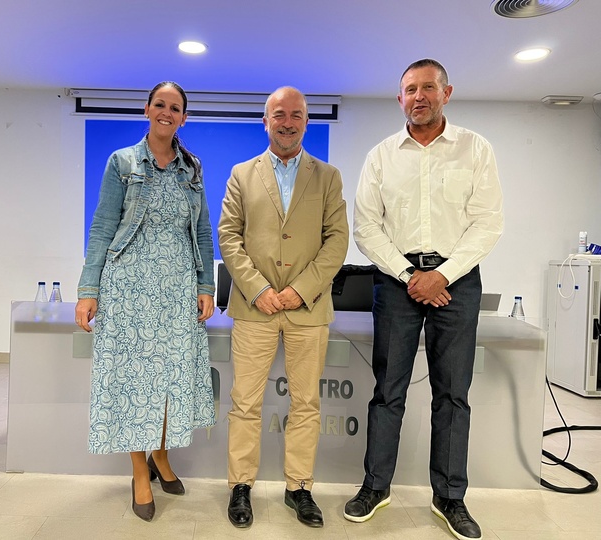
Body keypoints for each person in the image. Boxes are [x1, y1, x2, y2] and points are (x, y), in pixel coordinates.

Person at [346, 59, 503, 540]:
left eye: (428, 87)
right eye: (410, 89)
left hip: (457, 280)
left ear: (446, 92)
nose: (419, 96)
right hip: (397, 282)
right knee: (387, 390)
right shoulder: (380, 156)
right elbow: (366, 227)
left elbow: (488, 223)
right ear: (400, 99)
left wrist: (442, 275)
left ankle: (450, 497)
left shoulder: (476, 149)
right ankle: (376, 486)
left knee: (453, 393)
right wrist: (411, 275)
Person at [75, 81, 216, 522]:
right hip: (128, 288)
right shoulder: (122, 162)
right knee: (133, 384)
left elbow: (202, 232)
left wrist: (206, 285)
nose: (167, 112)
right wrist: (88, 290)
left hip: (176, 289)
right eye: (160, 105)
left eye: (175, 108)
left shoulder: (191, 169)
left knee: (170, 381)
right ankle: (139, 470)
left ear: (183, 118)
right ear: (147, 109)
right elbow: (101, 227)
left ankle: (161, 455)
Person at [218, 86, 349, 529]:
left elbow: (337, 241)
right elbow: (229, 237)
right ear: (266, 121)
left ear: (307, 122)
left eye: (296, 115)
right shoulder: (241, 173)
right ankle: (240, 486)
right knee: (245, 403)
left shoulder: (328, 176)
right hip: (255, 308)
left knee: (306, 402)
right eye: (279, 114)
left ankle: (299, 489)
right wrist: (258, 290)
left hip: (307, 310)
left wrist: (302, 290)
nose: (288, 122)